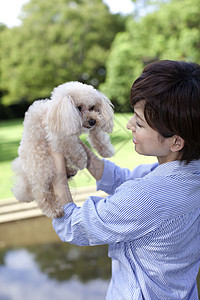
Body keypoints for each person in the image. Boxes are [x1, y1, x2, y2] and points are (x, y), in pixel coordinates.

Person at [51, 60, 200, 299]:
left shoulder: (148, 196)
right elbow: (124, 180)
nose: (129, 125)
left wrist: (57, 171)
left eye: (139, 123)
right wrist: (81, 152)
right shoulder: (189, 172)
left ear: (176, 141)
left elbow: (73, 225)